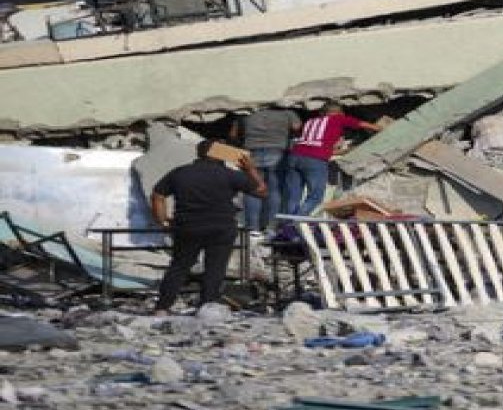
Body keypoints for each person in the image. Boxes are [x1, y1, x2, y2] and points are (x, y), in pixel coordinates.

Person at [151, 140, 266, 315]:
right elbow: (262, 191)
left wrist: (162, 220)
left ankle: (162, 307)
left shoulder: (180, 173)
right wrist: (249, 169)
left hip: (188, 226)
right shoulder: (230, 175)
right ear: (219, 153)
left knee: (179, 266)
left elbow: (157, 194)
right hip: (222, 227)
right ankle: (207, 307)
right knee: (215, 268)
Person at [284, 102, 381, 216]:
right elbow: (362, 124)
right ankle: (295, 223)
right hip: (315, 160)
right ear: (340, 112)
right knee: (315, 196)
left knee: (293, 196)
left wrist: (343, 151)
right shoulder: (338, 118)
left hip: (294, 156)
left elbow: (315, 145)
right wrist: (382, 128)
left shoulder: (310, 122)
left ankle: (287, 224)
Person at [229, 102, 300, 234]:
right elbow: (297, 128)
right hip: (277, 152)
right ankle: (271, 228)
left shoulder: (247, 113)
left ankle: (253, 228)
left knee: (253, 190)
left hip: (251, 153)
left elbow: (233, 135)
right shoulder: (288, 113)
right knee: (274, 191)